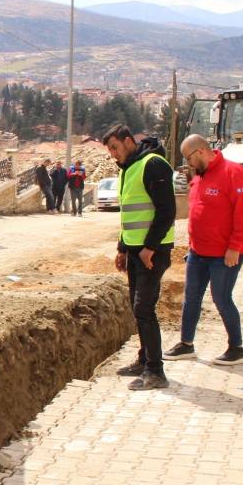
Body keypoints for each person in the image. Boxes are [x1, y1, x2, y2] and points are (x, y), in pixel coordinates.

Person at [163, 134, 243, 366]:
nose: (188, 164)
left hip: (224, 254)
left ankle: (237, 348)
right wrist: (192, 247)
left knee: (221, 298)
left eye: (189, 158)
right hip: (198, 253)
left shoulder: (234, 173)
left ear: (201, 151)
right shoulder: (199, 178)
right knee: (191, 297)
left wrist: (235, 247)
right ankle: (186, 344)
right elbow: (198, 214)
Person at [103, 124, 176, 390]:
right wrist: (123, 248)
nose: (112, 154)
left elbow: (167, 211)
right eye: (109, 149)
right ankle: (144, 359)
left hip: (152, 252)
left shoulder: (153, 164)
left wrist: (150, 248)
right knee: (137, 308)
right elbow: (130, 217)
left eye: (115, 147)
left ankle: (155, 371)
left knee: (144, 309)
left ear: (128, 141)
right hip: (136, 251)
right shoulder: (129, 168)